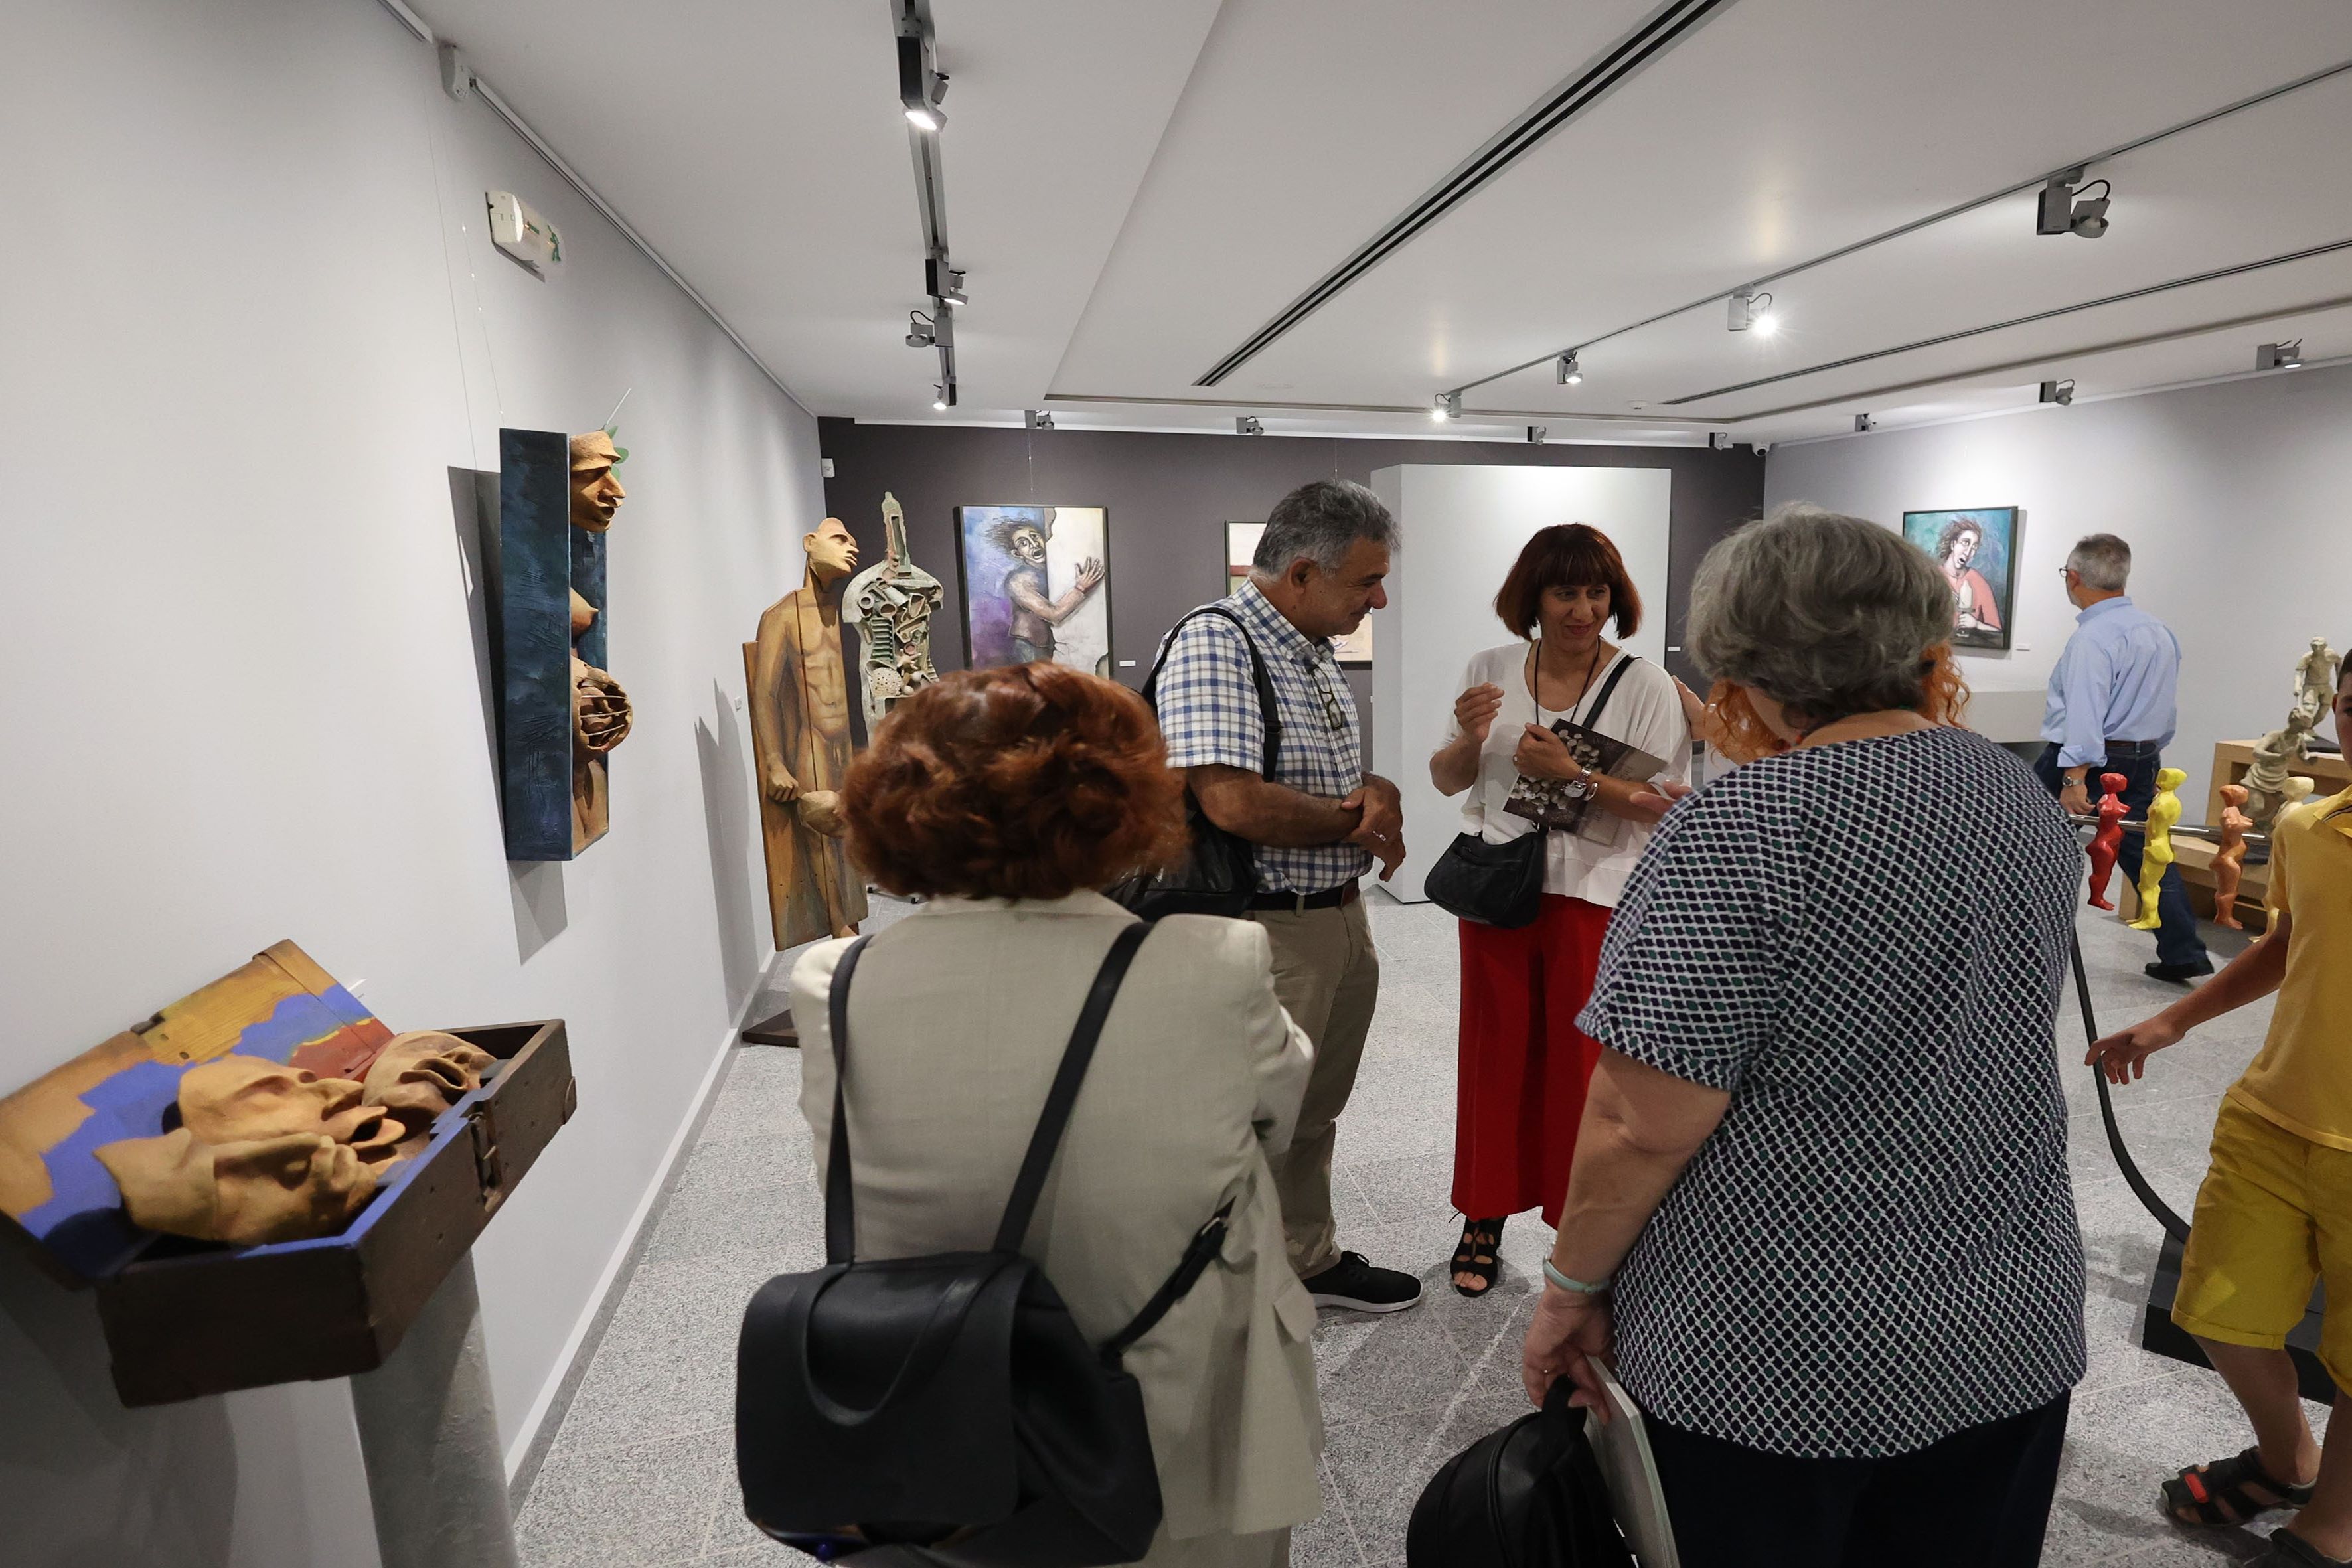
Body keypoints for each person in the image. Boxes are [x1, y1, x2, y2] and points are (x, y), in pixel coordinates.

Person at [1520, 505, 2086, 1568]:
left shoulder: (1742, 824)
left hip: (1779, 1347)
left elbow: (1641, 1120)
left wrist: (1570, 1289)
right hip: (2008, 1316)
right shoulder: (2016, 796)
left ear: (1745, 662)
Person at [788, 664, 1323, 1567]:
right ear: (1123, 803)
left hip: (938, 1399)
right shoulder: (1213, 960)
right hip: (1171, 1400)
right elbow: (1273, 1115)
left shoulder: (834, 982)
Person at [2090, 652, 2352, 1568]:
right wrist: (2173, 1019)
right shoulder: (2309, 826)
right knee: (2215, 1307)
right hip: (2274, 1116)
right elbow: (2288, 943)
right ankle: (2287, 1461)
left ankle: (2330, 1527)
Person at [1156, 478, 1418, 1314]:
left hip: (1334, 914)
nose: (1378, 600)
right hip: (1263, 927)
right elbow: (1232, 802)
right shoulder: (1218, 641)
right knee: (1249, 1117)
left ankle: (1303, 1256)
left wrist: (1373, 790)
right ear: (1303, 573)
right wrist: (1354, 820)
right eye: (1367, 582)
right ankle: (1218, 1287)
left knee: (1311, 1109)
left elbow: (1315, 777)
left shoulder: (1309, 647)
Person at [1427, 524, 1688, 1297]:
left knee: (1583, 1068)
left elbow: (1658, 802)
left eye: (1597, 592)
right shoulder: (1491, 668)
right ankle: (1483, 1212)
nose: (1583, 610)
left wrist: (1570, 774)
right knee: (1495, 1055)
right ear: (1533, 598)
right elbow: (1447, 778)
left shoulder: (1644, 684)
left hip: (1596, 895)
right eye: (1565, 592)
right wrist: (1472, 738)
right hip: (1502, 885)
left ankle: (1580, 1229)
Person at [2036, 532, 2212, 980]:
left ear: (2073, 578)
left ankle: (2019, 940)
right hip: (2141, 756)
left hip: (2089, 761)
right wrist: (2150, 760)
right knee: (2146, 850)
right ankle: (2183, 950)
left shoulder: (2092, 639)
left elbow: (2085, 711)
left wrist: (2074, 778)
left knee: (2023, 839)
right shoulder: (2158, 632)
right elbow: (2164, 707)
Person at [989, 512, 1105, 665]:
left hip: (1048, 647)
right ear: (1017, 553)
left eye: (1035, 536)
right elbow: (1054, 615)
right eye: (1023, 543)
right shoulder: (1019, 581)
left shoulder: (1051, 569)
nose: (1034, 544)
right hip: (1029, 648)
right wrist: (1081, 588)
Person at [1936, 516, 2002, 637]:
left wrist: (1977, 625)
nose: (1968, 552)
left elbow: (1997, 631)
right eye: (1965, 543)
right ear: (1953, 544)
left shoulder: (1978, 581)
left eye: (1974, 547)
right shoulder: (1933, 578)